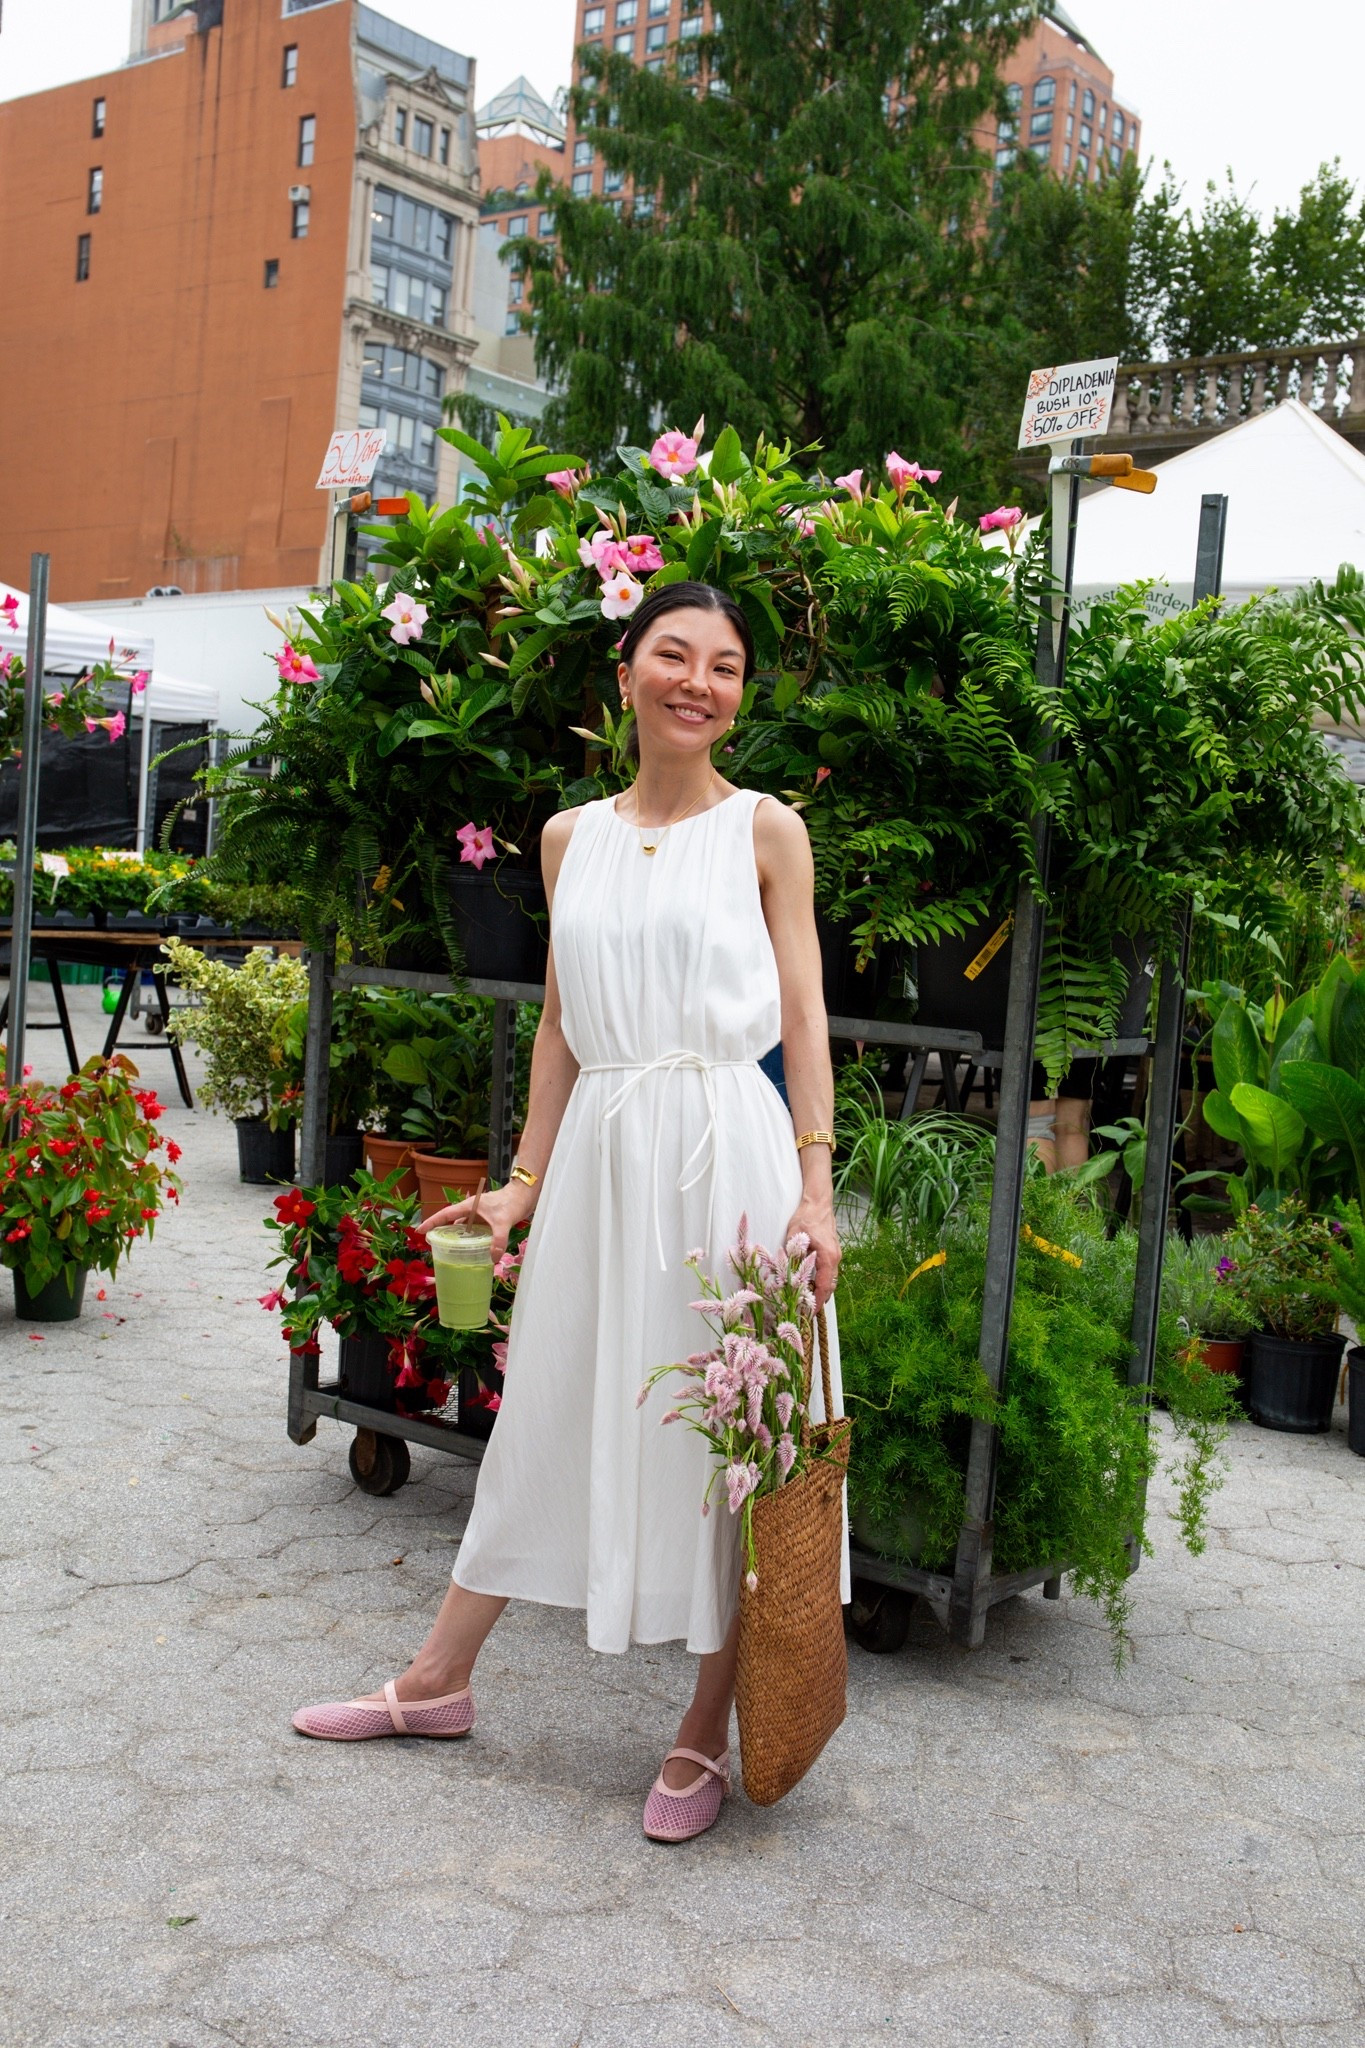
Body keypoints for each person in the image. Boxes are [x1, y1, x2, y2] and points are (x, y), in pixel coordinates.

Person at [293, 581, 848, 1844]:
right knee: (548, 1398)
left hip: (729, 1154)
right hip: (602, 1151)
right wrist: (522, 1182)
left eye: (725, 665)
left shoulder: (768, 829)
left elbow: (806, 1013)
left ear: (740, 692)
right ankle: (437, 1679)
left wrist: (817, 1191)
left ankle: (705, 1728)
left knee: (737, 1435)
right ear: (627, 670)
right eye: (675, 654)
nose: (698, 681)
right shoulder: (566, 838)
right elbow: (558, 1021)